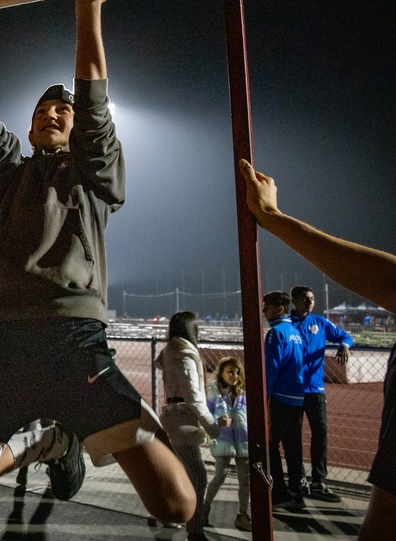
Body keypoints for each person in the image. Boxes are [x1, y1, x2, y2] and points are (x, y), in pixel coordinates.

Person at [0, 0, 194, 526]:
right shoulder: (11, 176)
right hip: (7, 345)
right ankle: (44, 443)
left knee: (176, 504)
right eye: (42, 109)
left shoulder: (96, 176)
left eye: (61, 110)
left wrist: (87, 9)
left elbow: (93, 103)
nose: (53, 112)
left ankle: (62, 434)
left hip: (74, 343)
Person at [239, 159, 396, 541]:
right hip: (298, 394)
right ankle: (296, 486)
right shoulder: (292, 327)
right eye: (303, 299)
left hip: (300, 393)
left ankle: (299, 486)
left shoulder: (295, 329)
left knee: (296, 443)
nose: (308, 303)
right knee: (292, 446)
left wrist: (272, 217)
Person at [154, 311, 223, 541]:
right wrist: (213, 427)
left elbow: (160, 365)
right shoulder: (183, 354)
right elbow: (193, 395)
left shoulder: (171, 350)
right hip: (183, 419)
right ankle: (195, 531)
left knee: (178, 472)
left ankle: (164, 514)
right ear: (190, 329)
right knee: (198, 475)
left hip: (173, 417)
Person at [290, 284, 353, 502]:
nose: (311, 302)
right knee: (293, 437)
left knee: (320, 435)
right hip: (292, 391)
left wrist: (344, 345)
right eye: (306, 298)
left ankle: (319, 482)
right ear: (295, 301)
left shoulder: (320, 323)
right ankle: (298, 481)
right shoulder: (287, 326)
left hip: (315, 390)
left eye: (313, 298)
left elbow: (346, 336)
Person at [262, 290, 306, 509]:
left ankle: (278, 494)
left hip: (278, 398)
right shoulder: (296, 332)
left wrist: (264, 397)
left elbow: (270, 370)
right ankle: (296, 492)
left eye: (266, 307)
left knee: (269, 447)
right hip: (297, 398)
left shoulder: (275, 333)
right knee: (293, 448)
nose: (263, 311)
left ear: (279, 308)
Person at [202, 356, 250, 532]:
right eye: (230, 372)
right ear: (220, 372)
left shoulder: (244, 392)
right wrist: (218, 420)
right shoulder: (213, 391)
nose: (235, 376)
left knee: (245, 480)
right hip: (223, 440)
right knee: (219, 476)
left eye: (238, 372)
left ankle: (242, 515)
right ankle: (204, 509)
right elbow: (206, 414)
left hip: (243, 442)